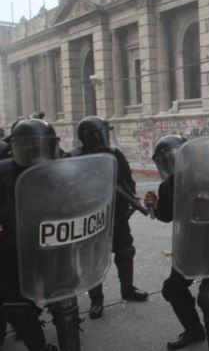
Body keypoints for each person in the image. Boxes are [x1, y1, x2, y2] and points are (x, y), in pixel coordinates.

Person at [144, 134, 209, 351]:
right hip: (190, 246)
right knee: (173, 289)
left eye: (175, 158)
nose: (172, 165)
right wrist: (154, 205)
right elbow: (166, 215)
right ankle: (194, 330)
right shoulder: (168, 186)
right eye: (167, 161)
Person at [71, 116, 148, 320]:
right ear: (86, 137)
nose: (102, 137)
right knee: (93, 258)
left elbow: (127, 179)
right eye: (98, 134)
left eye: (104, 133)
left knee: (125, 250)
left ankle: (128, 289)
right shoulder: (75, 157)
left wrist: (130, 197)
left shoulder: (114, 154)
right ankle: (97, 300)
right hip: (91, 218)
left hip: (116, 213)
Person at [0, 119, 61, 351]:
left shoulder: (62, 168)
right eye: (29, 147)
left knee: (64, 300)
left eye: (41, 147)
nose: (36, 154)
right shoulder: (3, 172)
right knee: (16, 306)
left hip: (53, 245)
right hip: (12, 248)